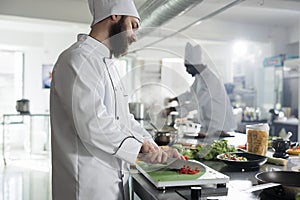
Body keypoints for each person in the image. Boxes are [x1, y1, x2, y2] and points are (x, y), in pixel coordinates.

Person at [50, 0, 182, 199]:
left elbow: (124, 119)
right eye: (133, 26)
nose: (134, 37)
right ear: (115, 15)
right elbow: (93, 124)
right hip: (87, 185)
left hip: (112, 180)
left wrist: (153, 147)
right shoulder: (77, 59)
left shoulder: (107, 64)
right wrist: (140, 149)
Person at [164, 42, 236, 136]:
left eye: (188, 67)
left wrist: (172, 109)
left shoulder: (210, 79)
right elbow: (190, 93)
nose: (187, 71)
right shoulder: (199, 77)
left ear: (195, 65)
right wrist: (173, 99)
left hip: (220, 127)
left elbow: (197, 103)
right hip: (209, 127)